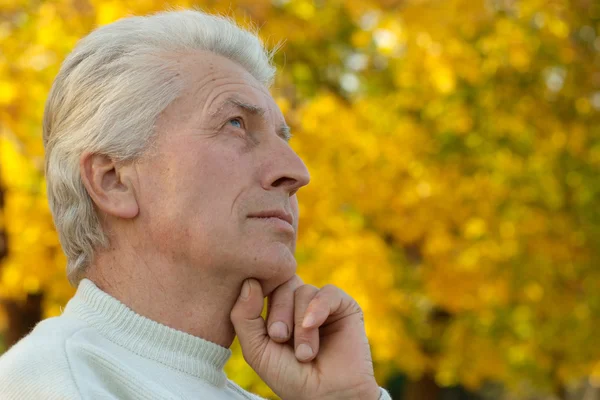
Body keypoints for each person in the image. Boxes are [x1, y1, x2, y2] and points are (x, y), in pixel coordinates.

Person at [0, 9, 391, 400]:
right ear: (113, 180)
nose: (296, 172)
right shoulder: (51, 385)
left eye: (284, 138)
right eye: (236, 124)